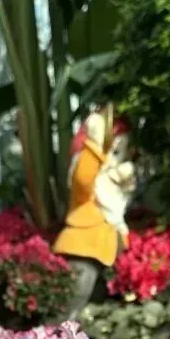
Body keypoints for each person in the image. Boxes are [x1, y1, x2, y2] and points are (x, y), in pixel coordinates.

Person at [53, 108, 136, 319]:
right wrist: (94, 144)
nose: (115, 160)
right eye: (112, 152)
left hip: (105, 252)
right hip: (84, 248)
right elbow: (84, 179)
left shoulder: (114, 188)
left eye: (119, 153)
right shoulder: (89, 172)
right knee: (72, 307)